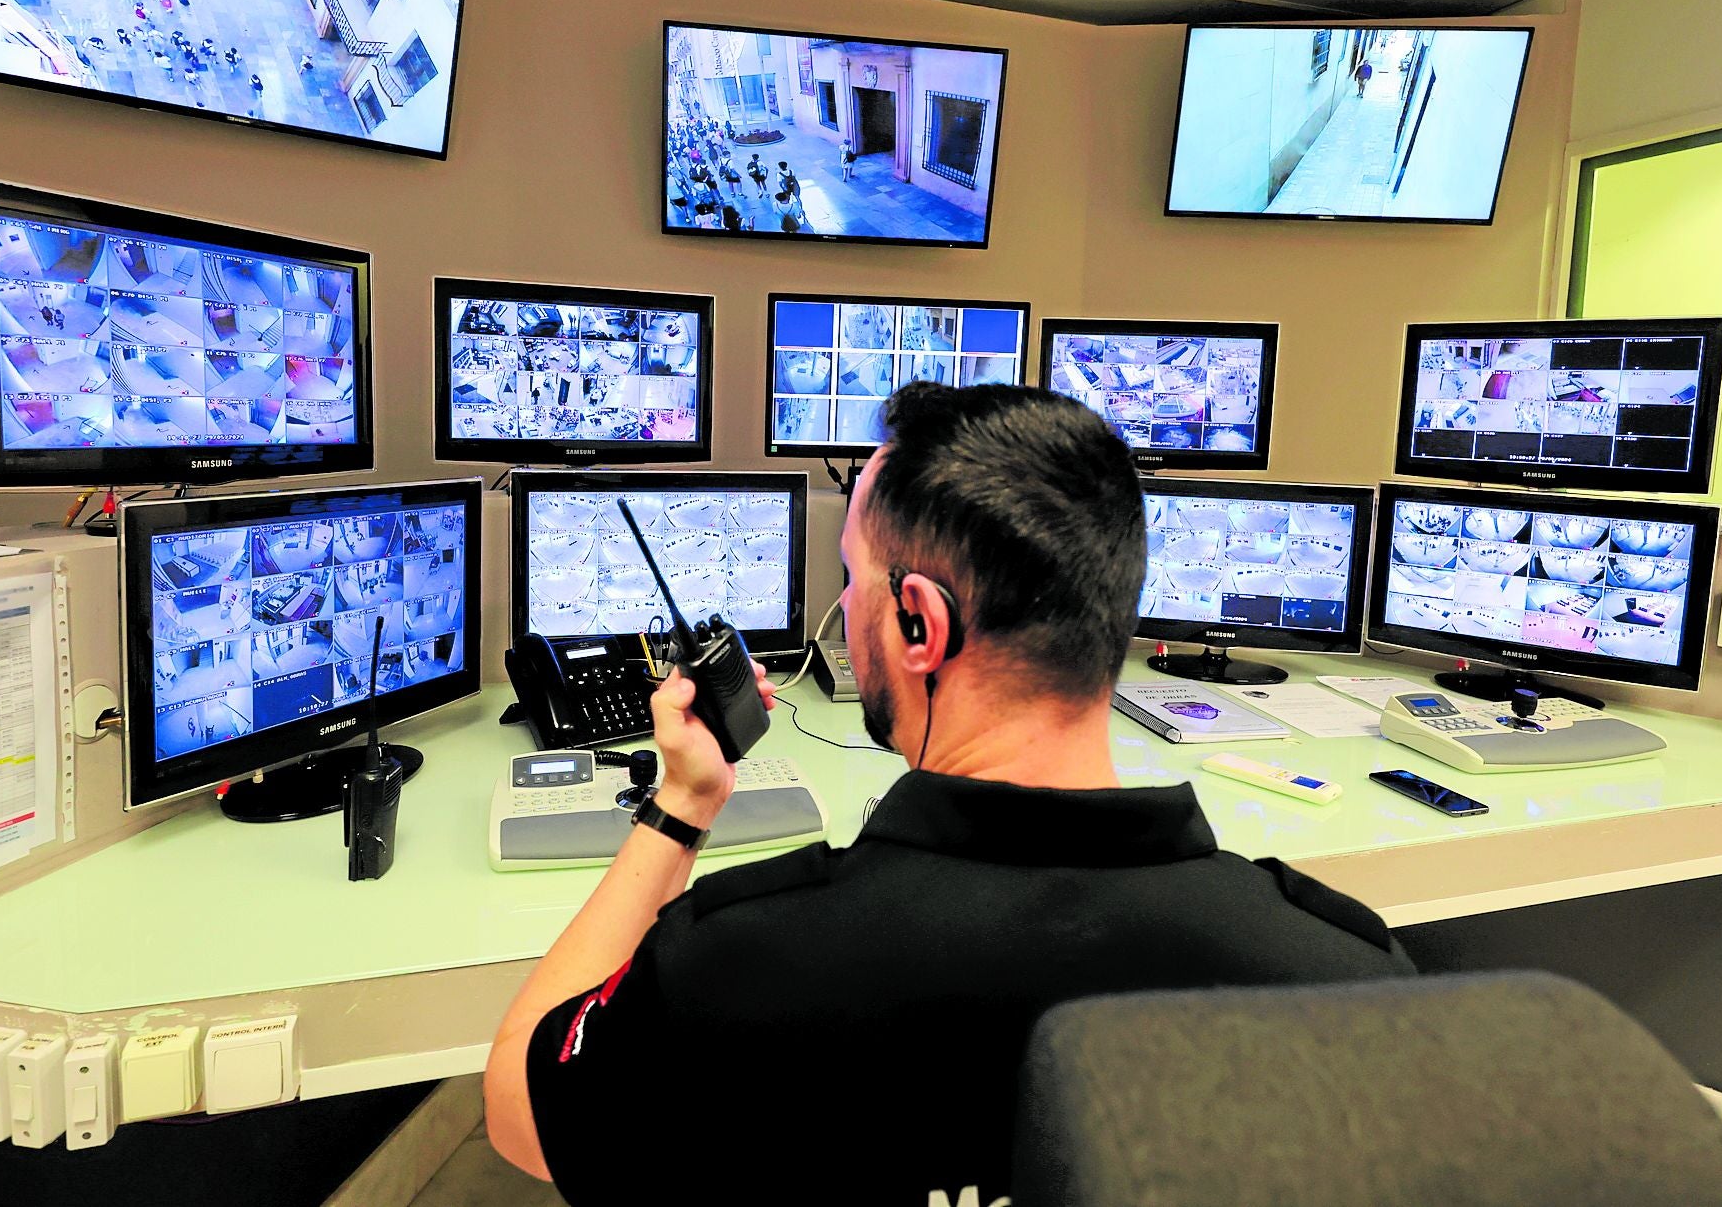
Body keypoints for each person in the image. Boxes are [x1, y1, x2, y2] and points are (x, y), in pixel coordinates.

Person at [484, 383, 1415, 1206]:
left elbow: (521, 1115)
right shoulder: (1352, 978)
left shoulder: (732, 964)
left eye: (852, 578)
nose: (845, 608)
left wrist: (679, 806)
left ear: (921, 621)